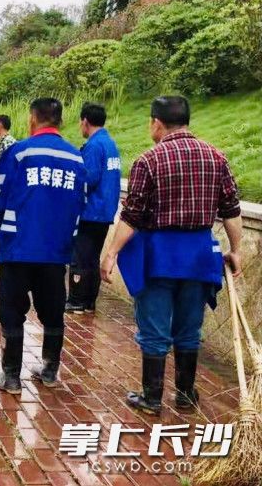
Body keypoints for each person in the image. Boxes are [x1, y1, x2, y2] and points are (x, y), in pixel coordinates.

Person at [101, 96, 243, 415]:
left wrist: (111, 253)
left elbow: (132, 216)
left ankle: (152, 398)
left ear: (156, 122)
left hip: (159, 257)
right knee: (189, 329)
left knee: (154, 328)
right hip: (198, 258)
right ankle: (186, 395)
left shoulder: (149, 160)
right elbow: (231, 211)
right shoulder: (216, 158)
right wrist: (236, 250)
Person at [0, 98, 87, 393]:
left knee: (12, 311)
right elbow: (80, 202)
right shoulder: (75, 159)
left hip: (18, 248)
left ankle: (11, 377)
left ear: (32, 119)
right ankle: (50, 371)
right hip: (56, 252)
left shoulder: (18, 153)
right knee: (53, 310)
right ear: (60, 121)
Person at [65, 103, 122, 315]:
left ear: (85, 121)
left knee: (79, 257)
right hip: (105, 211)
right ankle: (88, 302)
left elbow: (89, 177)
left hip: (91, 211)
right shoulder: (110, 143)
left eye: (81, 122)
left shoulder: (94, 146)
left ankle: (77, 301)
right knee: (91, 257)